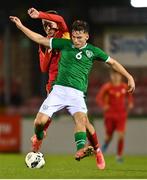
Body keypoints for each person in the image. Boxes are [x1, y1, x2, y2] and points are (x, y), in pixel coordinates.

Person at [9, 16, 135, 170]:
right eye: (74, 37)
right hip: (59, 90)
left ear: (87, 36)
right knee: (39, 122)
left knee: (82, 121)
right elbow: (40, 39)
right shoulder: (65, 44)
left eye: (80, 38)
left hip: (77, 94)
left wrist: (129, 77)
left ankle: (84, 150)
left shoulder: (93, 51)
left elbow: (113, 62)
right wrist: (21, 26)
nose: (76, 40)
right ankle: (38, 138)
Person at [27, 7, 103, 161]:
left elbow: (60, 20)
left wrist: (39, 15)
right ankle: (37, 143)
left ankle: (97, 150)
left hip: (73, 83)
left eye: (50, 24)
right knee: (44, 118)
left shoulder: (66, 35)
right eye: (44, 25)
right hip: (55, 83)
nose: (47, 28)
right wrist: (49, 50)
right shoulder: (45, 43)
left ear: (56, 25)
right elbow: (43, 68)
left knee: (85, 123)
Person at [95, 69, 134, 162]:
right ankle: (105, 145)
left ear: (120, 76)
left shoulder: (124, 87)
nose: (115, 77)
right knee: (109, 137)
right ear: (111, 76)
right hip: (109, 116)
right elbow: (99, 98)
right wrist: (103, 105)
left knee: (121, 135)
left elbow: (130, 97)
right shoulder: (107, 87)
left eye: (117, 75)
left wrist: (130, 103)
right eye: (113, 75)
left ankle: (119, 156)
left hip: (121, 115)